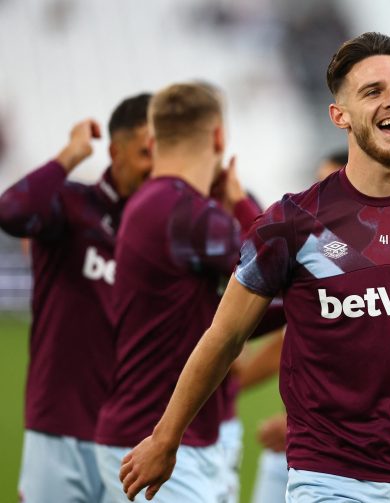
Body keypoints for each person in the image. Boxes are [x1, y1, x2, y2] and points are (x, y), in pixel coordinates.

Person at [119, 32, 390, 502]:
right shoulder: (291, 222)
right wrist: (166, 438)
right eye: (374, 91)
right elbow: (224, 337)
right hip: (328, 478)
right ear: (339, 115)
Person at [93, 83, 263, 502]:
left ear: (153, 140)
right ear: (219, 137)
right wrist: (242, 205)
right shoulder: (189, 214)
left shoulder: (154, 203)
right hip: (156, 441)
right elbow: (278, 277)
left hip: (159, 434)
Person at [0, 94, 152, 503]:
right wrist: (71, 153)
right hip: (59, 427)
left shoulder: (162, 230)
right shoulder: (72, 203)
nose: (155, 165)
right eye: (144, 152)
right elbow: (12, 212)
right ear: (115, 151)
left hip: (133, 437)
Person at [247, 149, 347, 503]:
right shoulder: (314, 253)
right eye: (318, 185)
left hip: (347, 461)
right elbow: (291, 338)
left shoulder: (382, 271)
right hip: (300, 446)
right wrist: (222, 385)